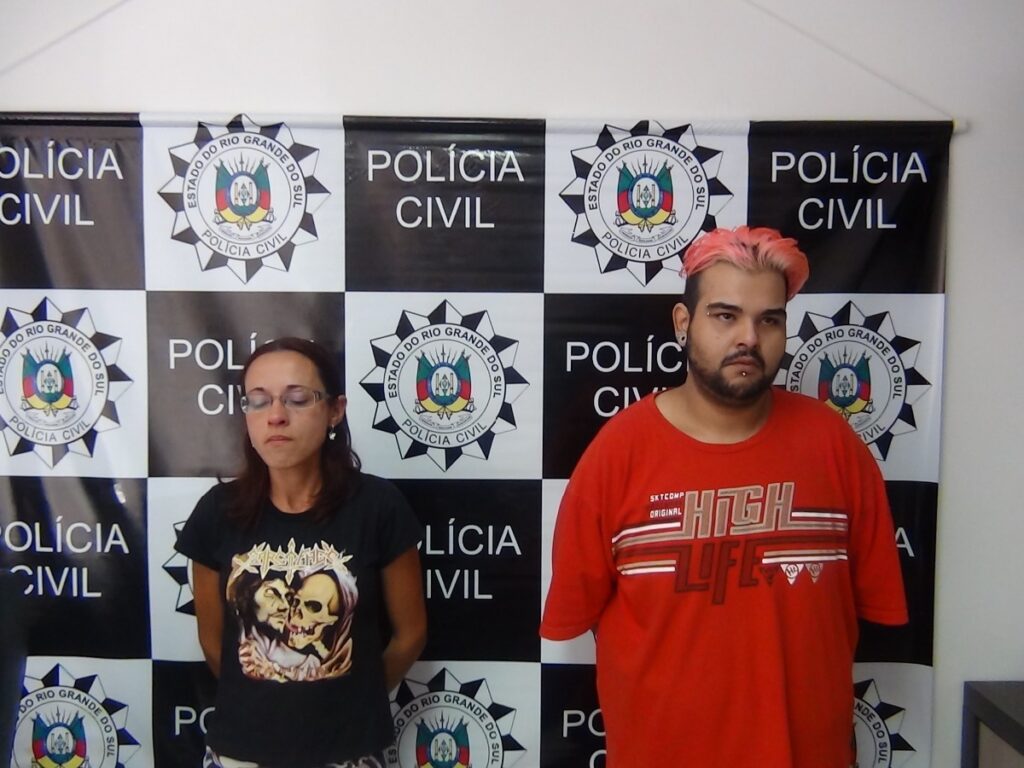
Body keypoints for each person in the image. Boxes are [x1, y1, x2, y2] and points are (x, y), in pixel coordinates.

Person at [540, 226, 907, 767]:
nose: (749, 339)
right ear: (682, 323)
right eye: (725, 315)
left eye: (769, 320)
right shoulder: (616, 456)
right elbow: (577, 616)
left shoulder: (835, 446)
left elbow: (868, 606)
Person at [176, 337, 427, 768]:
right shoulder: (216, 513)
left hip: (350, 750)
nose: (276, 415)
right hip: (239, 750)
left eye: (297, 399)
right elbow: (214, 643)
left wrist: (347, 699)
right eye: (258, 401)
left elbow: (410, 634)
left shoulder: (378, 508)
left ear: (335, 410)